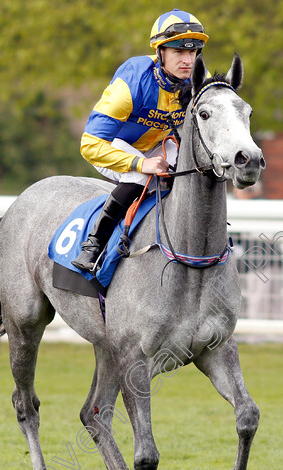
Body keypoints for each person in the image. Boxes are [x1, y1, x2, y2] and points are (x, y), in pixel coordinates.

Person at [72, 9, 208, 272]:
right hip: (114, 146)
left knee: (191, 173)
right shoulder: (131, 84)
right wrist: (139, 164)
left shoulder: (195, 83)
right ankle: (93, 245)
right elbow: (89, 144)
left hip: (158, 144)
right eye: (179, 52)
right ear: (160, 52)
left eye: (192, 52)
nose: (187, 61)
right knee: (141, 177)